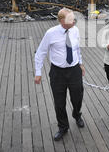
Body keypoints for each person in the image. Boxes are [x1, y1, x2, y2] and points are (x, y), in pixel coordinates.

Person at [34, 8, 85, 141]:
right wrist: (38, 72)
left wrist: (81, 63)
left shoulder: (75, 30)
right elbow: (40, 53)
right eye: (71, 19)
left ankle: (77, 114)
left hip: (74, 69)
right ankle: (63, 126)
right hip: (58, 73)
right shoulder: (51, 33)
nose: (74, 21)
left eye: (74, 18)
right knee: (59, 102)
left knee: (78, 96)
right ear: (62, 21)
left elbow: (77, 48)